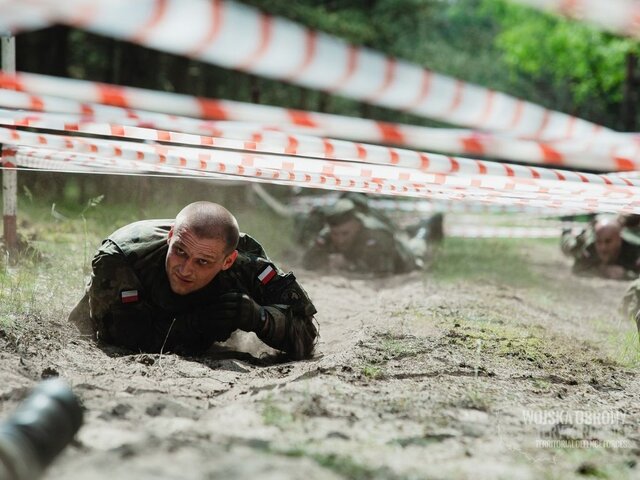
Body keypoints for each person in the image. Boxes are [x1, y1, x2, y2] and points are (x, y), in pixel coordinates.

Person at [68, 202, 318, 360]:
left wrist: (259, 318)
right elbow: (119, 340)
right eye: (180, 252)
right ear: (170, 237)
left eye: (203, 262)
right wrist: (196, 324)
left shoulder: (246, 264)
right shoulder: (123, 258)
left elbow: (307, 336)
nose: (185, 269)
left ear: (227, 261)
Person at [301, 195, 443, 276]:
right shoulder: (327, 234)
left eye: (345, 233)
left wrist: (348, 265)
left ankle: (427, 225)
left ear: (357, 224)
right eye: (335, 234)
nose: (339, 239)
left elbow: (384, 273)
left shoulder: (375, 235)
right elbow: (307, 263)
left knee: (417, 248)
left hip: (404, 258)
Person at [560, 215, 640, 280]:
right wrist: (602, 269)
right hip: (589, 231)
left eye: (608, 241)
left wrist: (626, 274)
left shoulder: (635, 250)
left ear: (619, 240)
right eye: (599, 242)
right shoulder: (590, 248)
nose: (603, 247)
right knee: (569, 245)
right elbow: (577, 269)